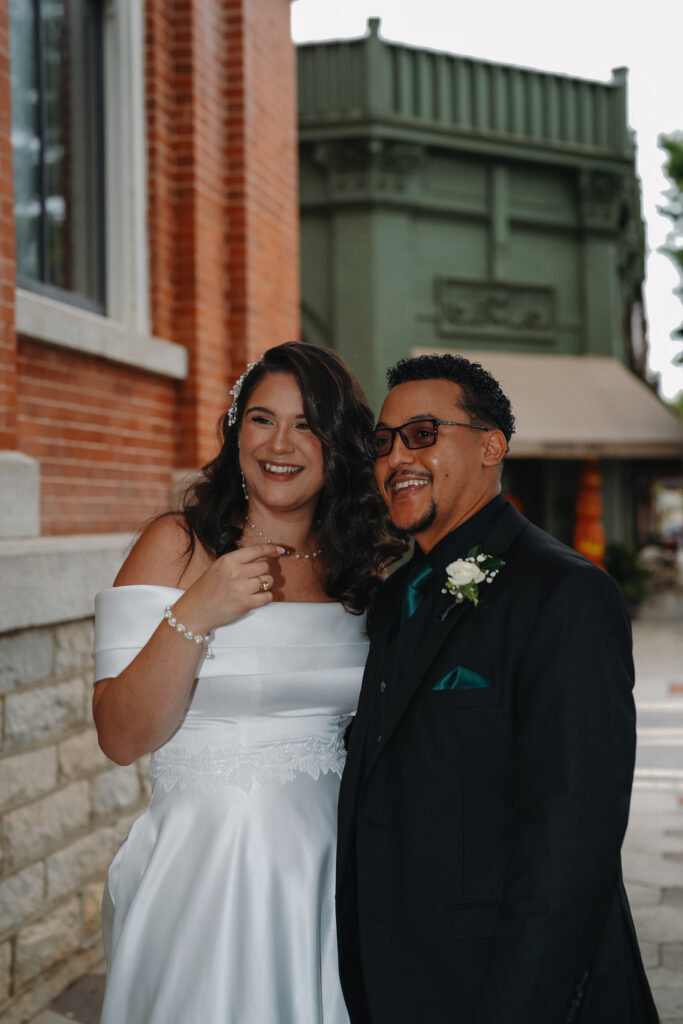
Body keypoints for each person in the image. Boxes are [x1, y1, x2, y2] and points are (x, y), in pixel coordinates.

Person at [336, 353, 659, 1024]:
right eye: (382, 441)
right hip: (399, 984)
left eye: (422, 433)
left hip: (515, 992)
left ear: (490, 446)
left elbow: (573, 842)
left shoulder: (564, 593)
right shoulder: (395, 598)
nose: (397, 456)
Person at [92, 342, 405, 1024]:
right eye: (261, 419)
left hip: (331, 870)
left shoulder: (359, 572)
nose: (280, 443)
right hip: (208, 867)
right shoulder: (176, 545)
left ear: (337, 445)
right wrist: (198, 610)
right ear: (236, 435)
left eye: (306, 424)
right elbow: (120, 735)